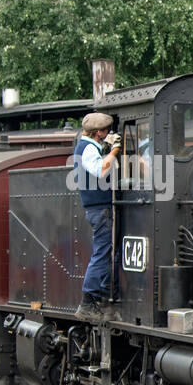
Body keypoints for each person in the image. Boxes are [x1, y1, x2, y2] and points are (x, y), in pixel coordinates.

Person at [72, 112, 121, 321]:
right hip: (99, 209)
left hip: (98, 208)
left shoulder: (88, 147)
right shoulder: (89, 148)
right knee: (102, 254)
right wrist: (116, 149)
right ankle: (88, 302)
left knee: (105, 252)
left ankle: (99, 294)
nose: (108, 133)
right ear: (99, 132)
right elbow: (101, 170)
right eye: (107, 130)